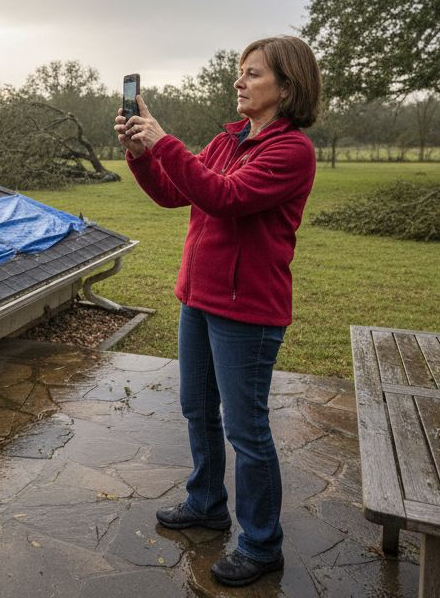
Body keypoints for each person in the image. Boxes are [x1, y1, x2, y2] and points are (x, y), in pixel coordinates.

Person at [114, 36, 320, 587]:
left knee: (246, 430)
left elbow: (226, 197)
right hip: (199, 299)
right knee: (197, 409)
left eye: (253, 74)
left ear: (287, 86)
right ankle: (206, 502)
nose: (239, 82)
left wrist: (165, 140)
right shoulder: (229, 140)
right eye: (240, 73)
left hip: (247, 312)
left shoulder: (291, 150)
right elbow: (176, 192)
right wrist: (142, 152)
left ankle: (261, 544)